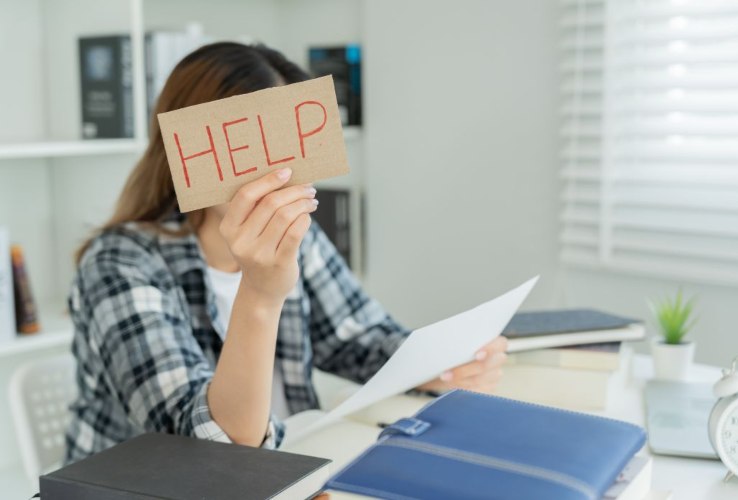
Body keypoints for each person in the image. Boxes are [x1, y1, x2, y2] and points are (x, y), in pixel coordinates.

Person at [64, 42, 508, 463]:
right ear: (189, 153)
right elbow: (212, 450)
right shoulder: (119, 263)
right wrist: (261, 292)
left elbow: (360, 339)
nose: (272, 168)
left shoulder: (298, 235)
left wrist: (440, 365)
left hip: (293, 468)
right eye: (250, 145)